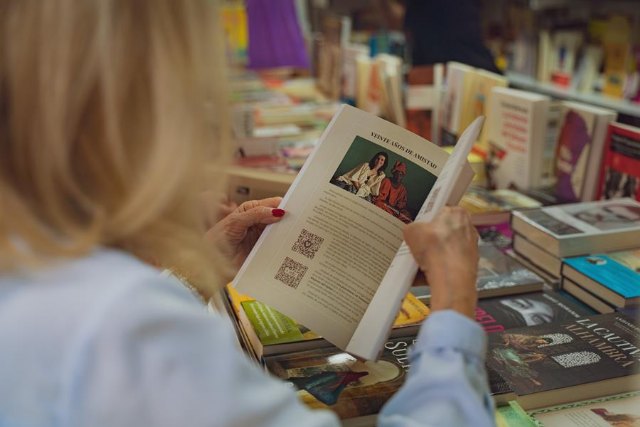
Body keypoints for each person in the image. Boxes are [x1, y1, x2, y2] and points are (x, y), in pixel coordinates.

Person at [0, 1, 494, 426]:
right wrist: (453, 302)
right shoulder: (122, 327)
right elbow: (119, 340)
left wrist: (197, 271)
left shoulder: (32, 267)